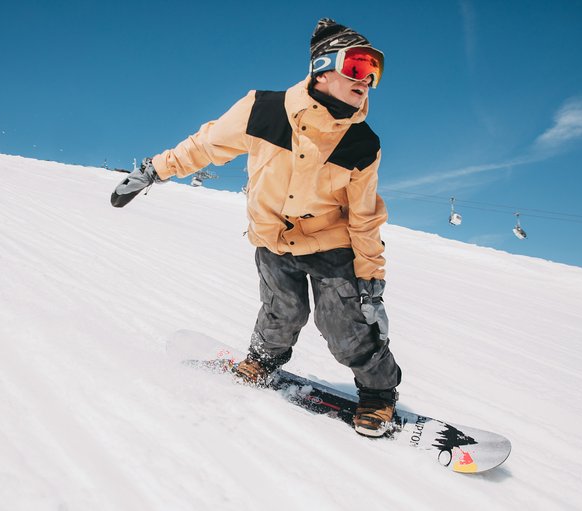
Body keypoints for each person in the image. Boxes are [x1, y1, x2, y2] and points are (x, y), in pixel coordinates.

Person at [111, 18, 401, 437]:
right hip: (272, 239)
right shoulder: (262, 109)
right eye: (357, 67)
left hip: (331, 246)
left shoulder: (362, 144)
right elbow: (205, 145)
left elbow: (365, 217)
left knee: (344, 328)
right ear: (323, 66)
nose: (367, 80)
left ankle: (378, 395)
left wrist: (371, 282)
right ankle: (262, 361)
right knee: (282, 311)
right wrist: (153, 171)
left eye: (374, 73)